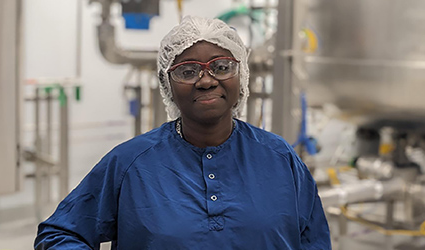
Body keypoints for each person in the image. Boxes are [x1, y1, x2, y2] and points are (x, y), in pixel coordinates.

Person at [34, 16, 331, 250]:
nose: (206, 80)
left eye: (221, 66)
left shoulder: (279, 158)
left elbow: (314, 240)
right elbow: (60, 233)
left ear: (241, 77)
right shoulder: (130, 164)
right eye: (187, 71)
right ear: (167, 85)